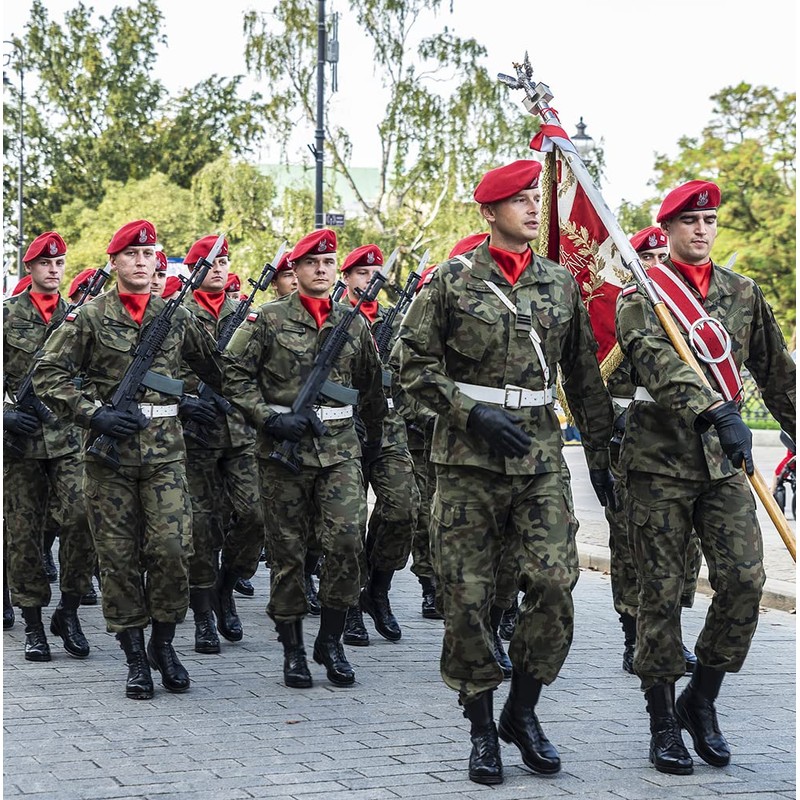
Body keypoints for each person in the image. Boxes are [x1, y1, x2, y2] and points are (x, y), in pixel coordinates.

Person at [396, 159, 617, 785]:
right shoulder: (451, 283)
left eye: (535, 198)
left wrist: (601, 456)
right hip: (467, 461)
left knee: (553, 583)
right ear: (490, 212)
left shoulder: (559, 284)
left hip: (540, 456)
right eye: (519, 200)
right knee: (469, 598)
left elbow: (583, 377)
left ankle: (522, 711)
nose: (533, 208)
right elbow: (410, 365)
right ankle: (481, 730)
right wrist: (470, 413)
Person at [615, 180, 795, 775]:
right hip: (658, 463)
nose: (701, 229)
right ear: (666, 230)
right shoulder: (643, 295)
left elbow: (776, 371)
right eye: (689, 221)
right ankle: (662, 720)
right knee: (661, 595)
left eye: (710, 220)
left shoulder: (744, 293)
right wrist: (718, 411)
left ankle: (702, 699)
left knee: (745, 580)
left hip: (723, 467)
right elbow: (659, 364)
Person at [33, 219, 225, 700]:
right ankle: (135, 657)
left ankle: (165, 643)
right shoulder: (90, 317)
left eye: (149, 255)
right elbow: (47, 374)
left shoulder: (177, 316)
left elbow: (219, 369)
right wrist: (91, 414)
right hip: (109, 460)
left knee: (173, 551)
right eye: (132, 255)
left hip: (165, 455)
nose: (142, 262)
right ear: (114, 262)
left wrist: (217, 402)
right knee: (118, 561)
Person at [222, 228, 387, 689]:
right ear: (294, 270)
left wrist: (373, 444)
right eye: (311, 263)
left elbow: (371, 389)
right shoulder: (266, 319)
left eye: (328, 263)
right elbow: (231, 373)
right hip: (282, 454)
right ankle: (293, 648)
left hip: (339, 451)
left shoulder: (354, 322)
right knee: (289, 554)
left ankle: (331, 639)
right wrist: (266, 419)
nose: (321, 270)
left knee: (347, 543)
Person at [609, 226, 702, 676]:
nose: (656, 265)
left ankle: (671, 632)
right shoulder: (628, 308)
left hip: (686, 443)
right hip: (630, 443)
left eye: (661, 256)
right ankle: (635, 637)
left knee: (686, 550)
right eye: (647, 259)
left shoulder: (683, 312)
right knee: (632, 546)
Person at [3, 231, 94, 662]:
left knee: (81, 518)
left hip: (67, 437)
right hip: (20, 444)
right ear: (31, 268)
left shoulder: (80, 316)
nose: (54, 271)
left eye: (59, 265)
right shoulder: (7, 317)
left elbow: (96, 373)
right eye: (46, 264)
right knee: (23, 536)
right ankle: (34, 625)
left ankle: (70, 608)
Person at [179, 235, 266, 653]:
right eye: (210, 262)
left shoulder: (247, 314)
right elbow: (155, 372)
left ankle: (227, 587)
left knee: (255, 515)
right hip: (195, 436)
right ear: (195, 269)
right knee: (201, 525)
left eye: (225, 261)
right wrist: (185, 402)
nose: (219, 267)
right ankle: (202, 614)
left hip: (242, 431)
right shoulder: (176, 315)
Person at [337, 244, 420, 648]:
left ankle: (378, 589)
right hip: (342, 431)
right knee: (348, 524)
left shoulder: (396, 320)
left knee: (403, 509)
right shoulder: (334, 321)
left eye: (374, 274)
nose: (369, 280)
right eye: (362, 274)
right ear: (347, 278)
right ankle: (350, 603)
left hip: (387, 428)